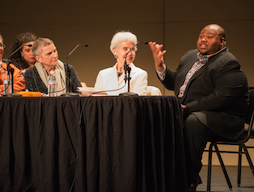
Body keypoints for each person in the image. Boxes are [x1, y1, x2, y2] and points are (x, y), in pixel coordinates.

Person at [149, 24, 248, 192]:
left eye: (209, 36)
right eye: (201, 36)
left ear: (222, 42)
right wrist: (161, 68)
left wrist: (186, 108)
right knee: (159, 118)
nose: (203, 39)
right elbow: (176, 84)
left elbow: (220, 99)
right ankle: (164, 176)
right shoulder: (189, 57)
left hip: (225, 118)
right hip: (192, 113)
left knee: (194, 122)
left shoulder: (228, 63)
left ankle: (188, 180)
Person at [94, 31, 148, 95]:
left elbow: (139, 101)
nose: (130, 53)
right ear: (115, 51)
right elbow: (97, 100)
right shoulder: (103, 74)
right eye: (125, 49)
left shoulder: (140, 74)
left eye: (132, 49)